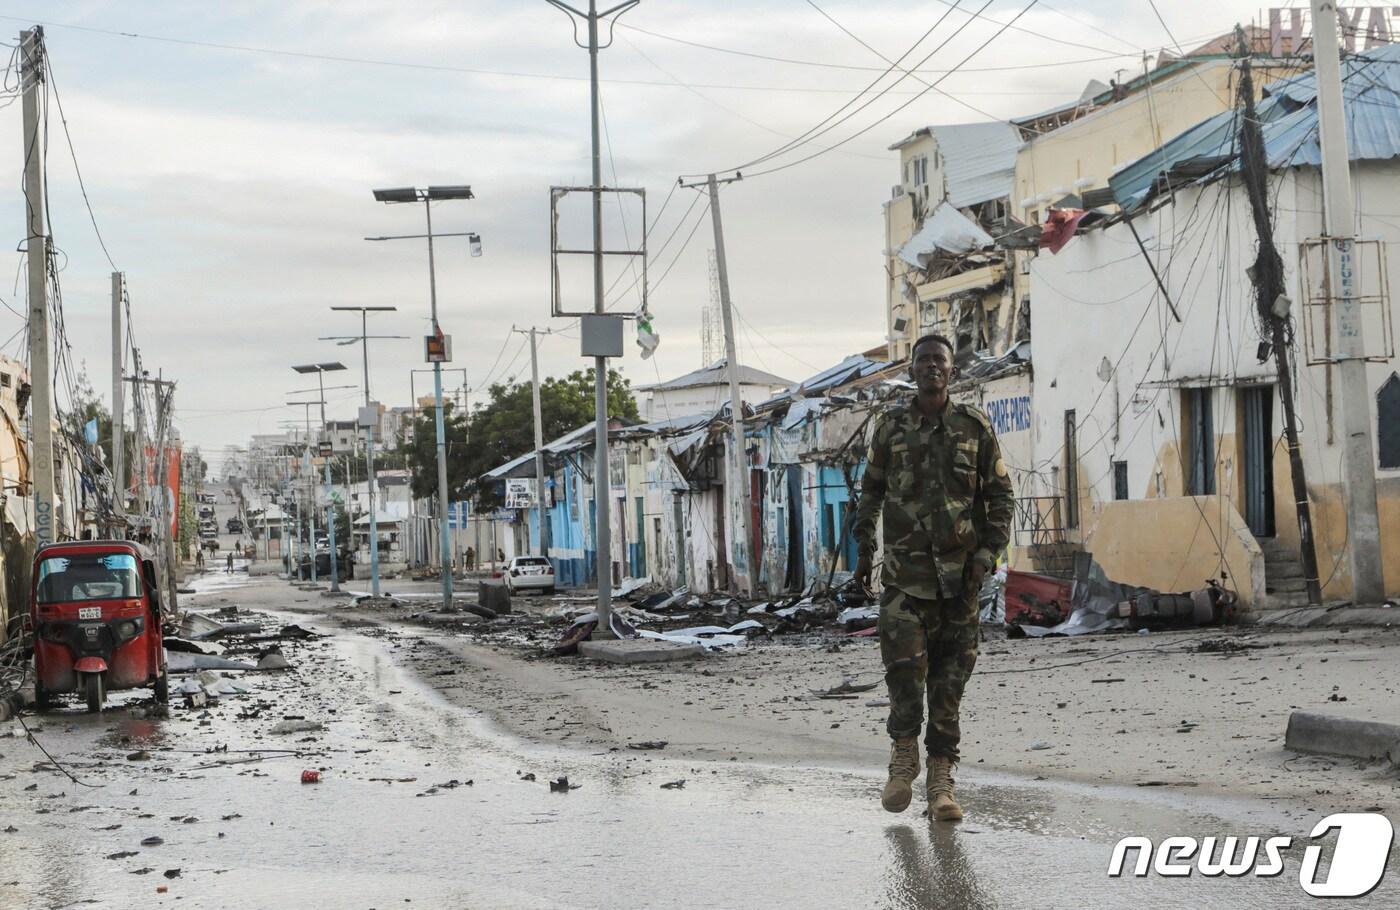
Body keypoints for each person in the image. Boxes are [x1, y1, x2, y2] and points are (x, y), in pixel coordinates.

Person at [851, 333, 1014, 822]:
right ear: (913, 369)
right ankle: (904, 761)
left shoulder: (975, 428)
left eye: (939, 362)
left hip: (961, 581)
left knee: (948, 685)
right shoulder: (890, 428)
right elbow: (871, 491)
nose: (930, 369)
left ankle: (941, 781)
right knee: (904, 675)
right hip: (905, 578)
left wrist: (987, 553)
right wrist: (864, 546)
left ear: (952, 372)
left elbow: (1001, 499)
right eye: (922, 361)